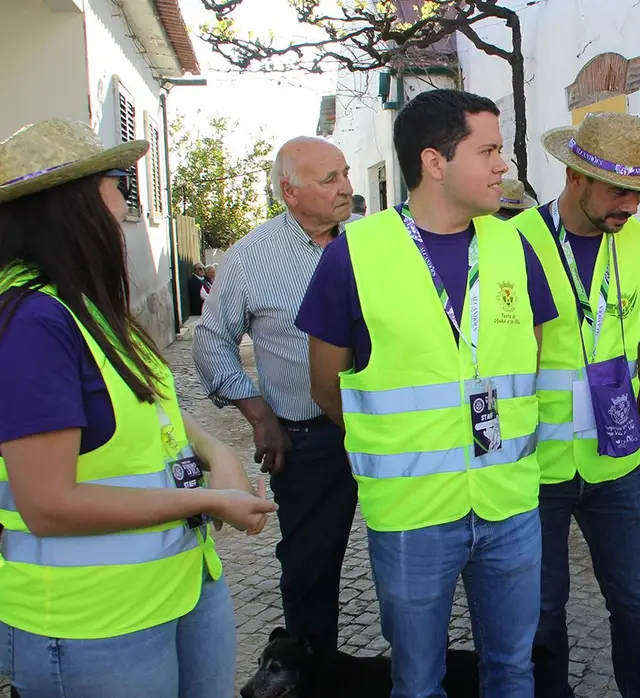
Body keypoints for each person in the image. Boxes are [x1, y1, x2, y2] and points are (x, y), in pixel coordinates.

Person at [295, 88, 558, 697]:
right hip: (412, 514)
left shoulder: (515, 246)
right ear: (435, 162)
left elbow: (531, 355)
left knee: (513, 671)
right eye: (488, 150)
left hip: (509, 504)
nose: (503, 166)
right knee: (416, 682)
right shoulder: (354, 255)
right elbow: (326, 383)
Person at [0, 118, 275, 697]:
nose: (126, 199)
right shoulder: (33, 323)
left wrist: (216, 449)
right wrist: (207, 499)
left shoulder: (86, 305)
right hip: (93, 623)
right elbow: (47, 505)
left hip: (178, 587)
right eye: (118, 180)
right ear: (72, 202)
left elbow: (152, 411)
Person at [510, 112, 640, 698]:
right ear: (575, 176)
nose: (630, 205)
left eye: (639, 192)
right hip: (538, 467)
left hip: (617, 465)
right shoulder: (515, 242)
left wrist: (631, 400)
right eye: (619, 190)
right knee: (542, 612)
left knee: (637, 603)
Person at [192, 135, 358, 657]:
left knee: (421, 556)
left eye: (346, 173)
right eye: (329, 179)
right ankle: (310, 672)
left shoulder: (376, 242)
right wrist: (256, 410)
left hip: (397, 429)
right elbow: (212, 338)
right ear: (289, 191)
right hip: (310, 441)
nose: (348, 189)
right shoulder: (251, 258)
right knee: (309, 567)